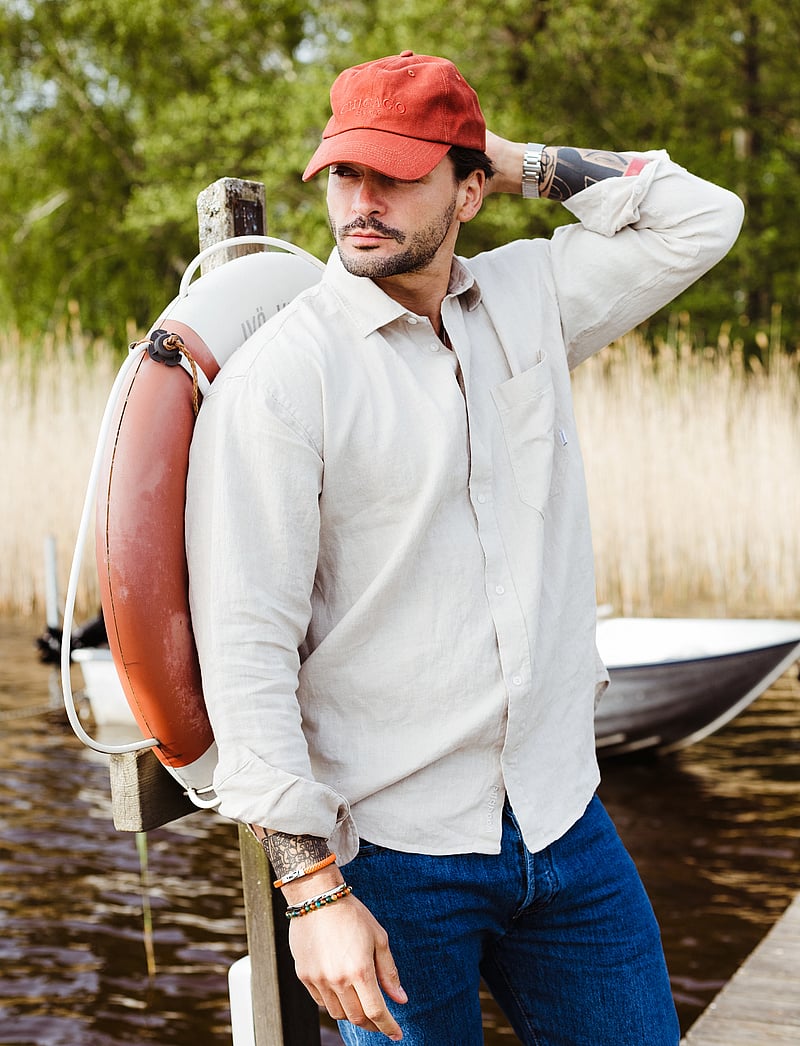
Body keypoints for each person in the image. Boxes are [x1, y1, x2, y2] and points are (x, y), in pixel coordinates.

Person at [185, 51, 743, 1045]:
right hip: (389, 853)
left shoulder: (531, 297)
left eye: (395, 175)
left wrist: (521, 158)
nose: (361, 200)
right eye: (346, 173)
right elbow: (244, 648)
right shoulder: (282, 381)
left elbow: (702, 216)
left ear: (467, 186)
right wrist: (312, 892)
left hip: (563, 819)